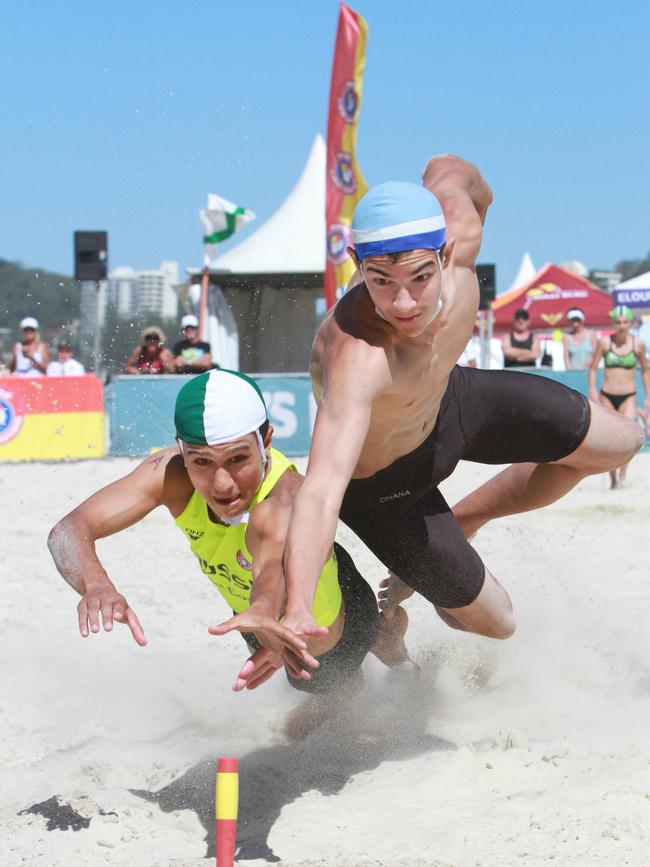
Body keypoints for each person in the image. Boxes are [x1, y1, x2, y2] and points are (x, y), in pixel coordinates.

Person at [266, 155, 642, 676]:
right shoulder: (357, 356)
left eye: (420, 277)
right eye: (379, 280)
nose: (403, 303)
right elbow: (323, 489)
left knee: (622, 443)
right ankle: (387, 623)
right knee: (498, 622)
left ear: (447, 251)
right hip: (382, 486)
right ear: (356, 263)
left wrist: (475, 196)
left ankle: (469, 516)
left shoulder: (459, 227)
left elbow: (449, 168)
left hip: (451, 400)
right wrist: (301, 607)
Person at [47, 369, 399, 711]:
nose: (222, 484)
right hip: (250, 616)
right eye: (201, 461)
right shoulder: (170, 474)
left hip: (330, 617)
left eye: (238, 458)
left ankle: (387, 637)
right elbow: (68, 530)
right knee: (314, 691)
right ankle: (381, 642)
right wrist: (96, 585)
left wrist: (264, 608)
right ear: (181, 452)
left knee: (334, 687)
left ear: (267, 442)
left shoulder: (285, 498)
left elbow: (270, 570)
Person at [589, 305, 650, 488]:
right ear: (613, 323)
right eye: (618, 322)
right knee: (610, 439)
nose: (622, 326)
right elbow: (593, 367)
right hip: (607, 394)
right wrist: (592, 388)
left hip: (629, 395)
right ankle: (613, 478)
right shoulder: (605, 343)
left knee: (628, 439)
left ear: (630, 323)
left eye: (625, 322)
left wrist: (648, 395)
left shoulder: (637, 344)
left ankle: (623, 474)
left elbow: (645, 370)